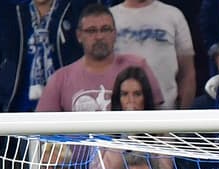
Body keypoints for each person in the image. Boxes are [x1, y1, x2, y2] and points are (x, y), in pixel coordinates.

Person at [35, 3, 163, 112]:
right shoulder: (60, 79)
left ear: (115, 33)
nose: (99, 36)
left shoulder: (137, 67)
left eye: (105, 29)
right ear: (79, 35)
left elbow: (159, 123)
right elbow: (41, 131)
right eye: (91, 31)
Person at [110, 0, 195, 109]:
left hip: (166, 116)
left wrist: (181, 117)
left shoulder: (173, 15)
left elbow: (187, 75)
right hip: (118, 116)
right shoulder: (109, 17)